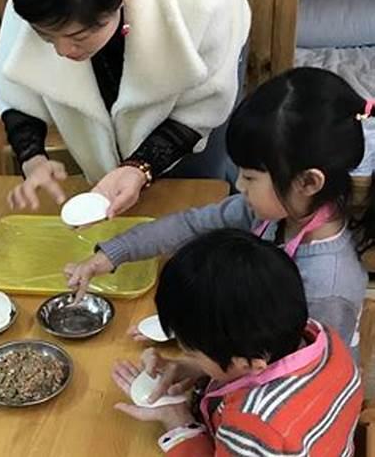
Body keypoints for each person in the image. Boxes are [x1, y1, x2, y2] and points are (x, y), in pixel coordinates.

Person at [66, 68, 375, 349]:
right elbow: (191, 226)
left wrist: (201, 364)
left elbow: (296, 374)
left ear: (308, 182)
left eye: (251, 177)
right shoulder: (269, 212)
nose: (239, 185)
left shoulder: (328, 287)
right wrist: (112, 253)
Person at [0, 0, 251, 216]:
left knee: (194, 193)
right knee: (121, 196)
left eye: (77, 37)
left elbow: (203, 106)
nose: (61, 51)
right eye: (45, 36)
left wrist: (141, 167)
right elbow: (17, 83)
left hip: (199, 51)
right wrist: (33, 159)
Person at [112, 229, 362, 456]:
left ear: (246, 363)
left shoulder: (254, 425)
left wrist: (178, 422)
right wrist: (198, 368)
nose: (185, 355)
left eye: (191, 352)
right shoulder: (320, 335)